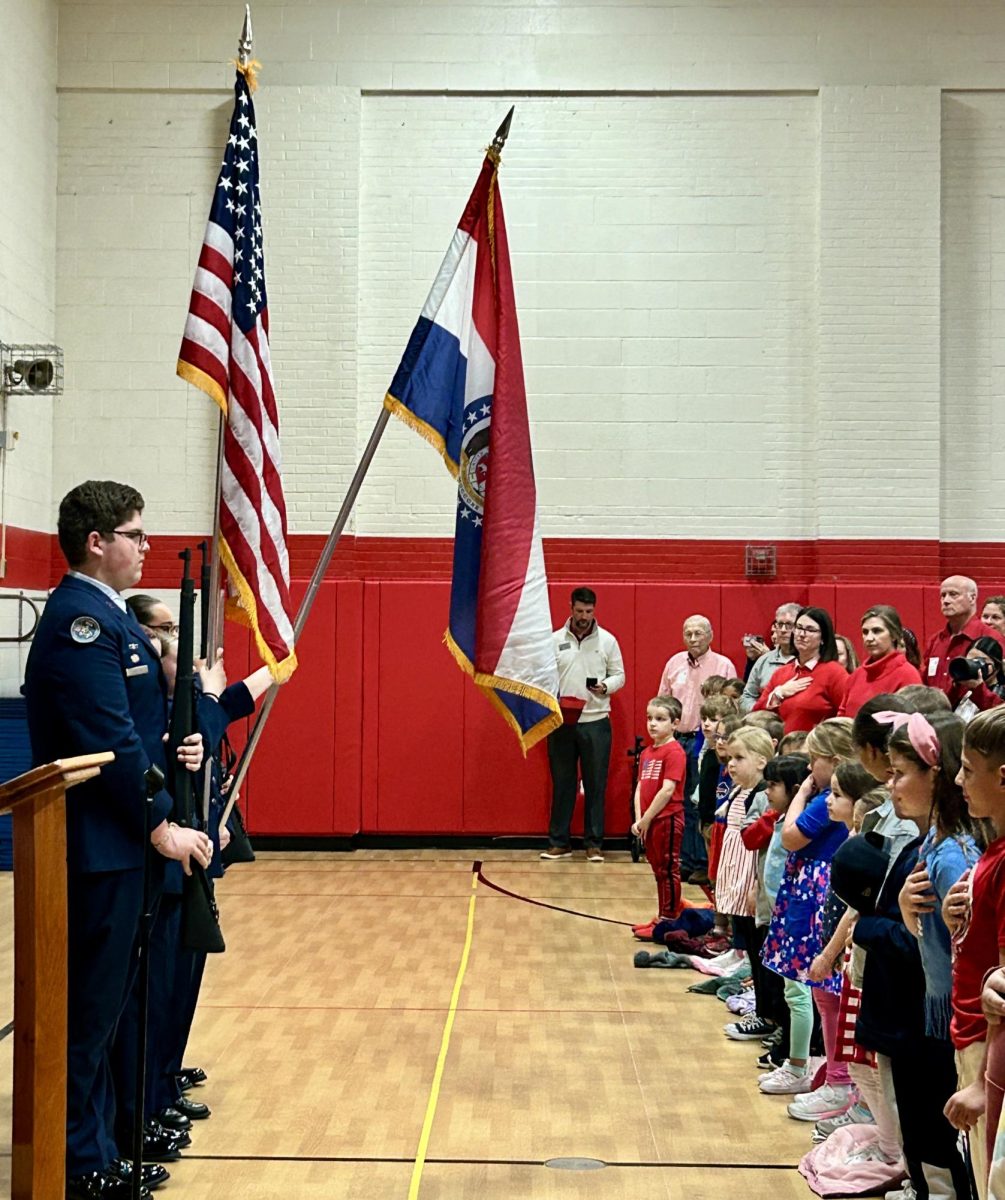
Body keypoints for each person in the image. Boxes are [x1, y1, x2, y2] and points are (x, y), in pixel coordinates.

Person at [22, 480, 211, 1200]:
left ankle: (99, 1146)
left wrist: (177, 752)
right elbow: (106, 740)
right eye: (135, 534)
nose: (145, 546)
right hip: (100, 849)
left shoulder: (109, 622)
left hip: (118, 845)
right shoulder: (81, 622)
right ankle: (80, 1163)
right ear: (96, 541)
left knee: (109, 1017)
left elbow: (135, 731)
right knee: (90, 1018)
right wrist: (161, 820)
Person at [759, 719, 853, 1098]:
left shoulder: (824, 799)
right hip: (808, 890)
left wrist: (802, 792)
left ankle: (818, 1071)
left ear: (832, 760)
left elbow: (791, 835)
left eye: (814, 759)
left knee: (816, 987)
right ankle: (824, 1071)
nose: (810, 767)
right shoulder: (830, 795)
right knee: (813, 989)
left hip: (817, 894)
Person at [943, 707, 1005, 1200]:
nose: (959, 779)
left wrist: (988, 1084)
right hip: (974, 1041)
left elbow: (1001, 993)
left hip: (990, 1051)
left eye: (968, 768)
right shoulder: (992, 849)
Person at [542, 587, 625, 862]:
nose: (584, 617)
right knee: (563, 782)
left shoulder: (608, 641)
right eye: (579, 611)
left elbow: (619, 675)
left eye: (589, 612)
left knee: (595, 783)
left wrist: (606, 685)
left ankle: (594, 844)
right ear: (570, 608)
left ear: (595, 610)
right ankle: (559, 842)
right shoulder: (553, 640)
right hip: (561, 722)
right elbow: (544, 676)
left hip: (596, 721)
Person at [657, 614, 737, 880]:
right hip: (678, 739)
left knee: (702, 801)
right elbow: (664, 702)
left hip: (708, 742)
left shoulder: (723, 665)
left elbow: (732, 708)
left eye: (698, 633)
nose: (693, 638)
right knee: (679, 801)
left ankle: (704, 863)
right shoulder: (674, 663)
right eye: (688, 633)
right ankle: (686, 859)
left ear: (710, 636)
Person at [716, 727, 773, 1041]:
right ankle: (762, 1008)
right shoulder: (739, 791)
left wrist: (754, 884)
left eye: (740, 758)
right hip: (736, 878)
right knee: (751, 950)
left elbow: (761, 848)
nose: (731, 765)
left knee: (759, 949)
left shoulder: (763, 795)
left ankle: (766, 1013)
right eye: (730, 758)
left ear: (762, 761)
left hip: (750, 881)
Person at [630, 695, 687, 938]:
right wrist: (639, 818)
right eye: (650, 718)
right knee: (657, 869)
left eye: (661, 719)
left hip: (667, 818)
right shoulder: (647, 753)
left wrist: (647, 818)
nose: (652, 724)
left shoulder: (674, 752)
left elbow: (667, 790)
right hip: (650, 821)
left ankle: (670, 918)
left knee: (667, 869)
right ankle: (663, 913)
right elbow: (641, 787)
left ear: (675, 723)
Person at [753, 607, 849, 734]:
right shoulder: (782, 673)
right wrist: (779, 693)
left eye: (810, 630)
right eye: (799, 627)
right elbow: (756, 714)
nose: (801, 634)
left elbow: (847, 718)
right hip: (782, 749)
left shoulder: (835, 673)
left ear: (823, 638)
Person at [839, 605, 923, 717]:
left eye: (877, 631)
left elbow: (911, 724)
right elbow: (841, 717)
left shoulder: (908, 675)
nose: (869, 638)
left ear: (894, 635)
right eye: (865, 632)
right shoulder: (856, 676)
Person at [924, 575, 987, 694]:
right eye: (943, 595)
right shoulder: (935, 641)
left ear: (972, 598)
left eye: (953, 594)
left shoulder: (989, 637)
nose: (946, 601)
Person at [740, 604, 800, 713]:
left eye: (789, 625)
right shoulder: (764, 660)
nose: (783, 630)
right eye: (780, 624)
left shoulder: (807, 660)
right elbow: (746, 697)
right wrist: (759, 713)